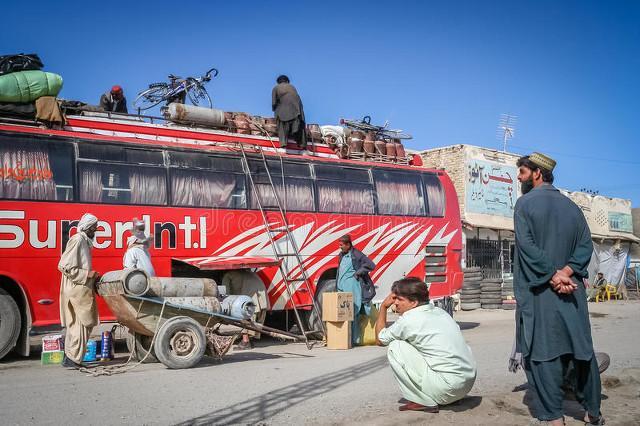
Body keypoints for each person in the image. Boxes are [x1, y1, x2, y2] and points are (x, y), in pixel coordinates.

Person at [514, 152, 604, 425]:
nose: (518, 177)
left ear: (537, 173)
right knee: (581, 351)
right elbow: (585, 245)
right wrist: (567, 272)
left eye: (522, 172)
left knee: (543, 352)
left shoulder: (524, 204)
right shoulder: (573, 207)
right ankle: (592, 412)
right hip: (572, 290)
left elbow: (527, 246)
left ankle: (554, 418)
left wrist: (553, 275)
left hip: (540, 293)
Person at [376, 277, 477, 413]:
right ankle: (447, 396)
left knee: (395, 346)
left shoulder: (409, 319)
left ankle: (422, 401)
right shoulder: (441, 312)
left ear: (414, 302)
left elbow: (380, 340)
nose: (395, 303)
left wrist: (383, 307)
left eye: (399, 299)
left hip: (448, 389)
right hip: (465, 386)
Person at [58, 213, 100, 369]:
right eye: (94, 227)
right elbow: (65, 266)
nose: (96, 229)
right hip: (77, 289)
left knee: (77, 324)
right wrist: (87, 274)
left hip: (81, 289)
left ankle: (71, 356)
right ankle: (73, 359)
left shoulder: (84, 241)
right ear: (88, 227)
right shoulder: (78, 240)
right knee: (82, 324)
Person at [336, 234, 375, 346]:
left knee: (353, 313)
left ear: (348, 244)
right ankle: (345, 338)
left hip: (353, 287)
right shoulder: (342, 255)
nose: (340, 247)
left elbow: (371, 265)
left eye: (342, 245)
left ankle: (354, 339)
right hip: (342, 288)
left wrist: (358, 273)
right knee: (344, 314)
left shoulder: (356, 254)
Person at [222, 270, 268, 350]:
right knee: (256, 320)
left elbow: (226, 294)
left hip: (250, 298)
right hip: (262, 295)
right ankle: (250, 339)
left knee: (244, 318)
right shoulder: (248, 272)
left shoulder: (228, 275)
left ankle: (246, 341)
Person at [272, 75, 307, 149]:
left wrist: (274, 110)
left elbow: (274, 103)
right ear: (287, 81)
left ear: (278, 82)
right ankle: (302, 144)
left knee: (279, 120)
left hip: (286, 111)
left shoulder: (276, 88)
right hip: (298, 111)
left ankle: (283, 143)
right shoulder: (292, 87)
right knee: (300, 126)